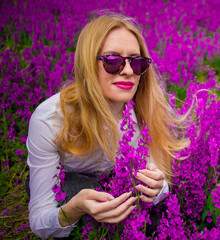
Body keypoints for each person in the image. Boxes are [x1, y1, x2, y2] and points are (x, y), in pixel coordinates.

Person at [26, 13, 187, 239]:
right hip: (70, 183)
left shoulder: (144, 108)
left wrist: (159, 189)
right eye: (112, 61)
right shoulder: (50, 119)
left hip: (119, 184)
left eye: (137, 61)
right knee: (75, 188)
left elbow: (158, 177)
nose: (129, 71)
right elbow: (40, 221)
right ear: (87, 64)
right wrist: (75, 209)